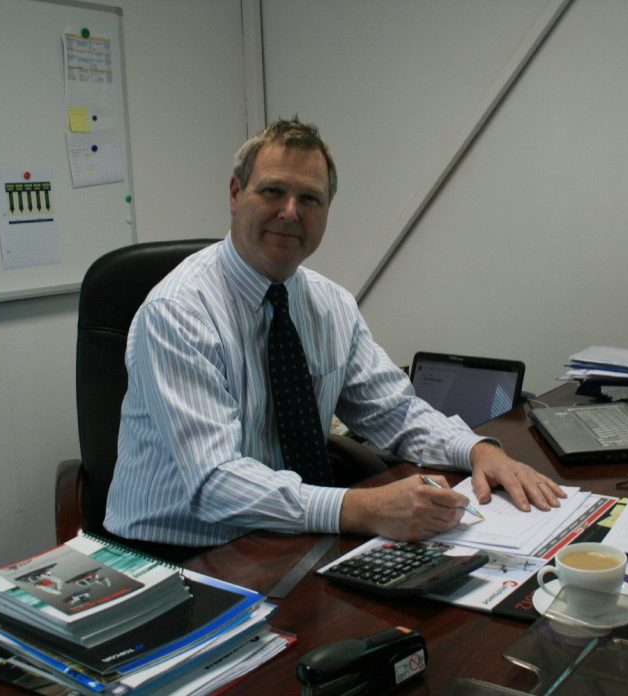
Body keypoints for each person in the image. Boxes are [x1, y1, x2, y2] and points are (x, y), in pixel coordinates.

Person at [104, 117, 564, 554]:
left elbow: (395, 412)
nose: (290, 212)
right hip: (177, 553)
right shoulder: (179, 312)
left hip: (286, 539)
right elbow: (215, 483)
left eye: (310, 199)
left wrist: (477, 450)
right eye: (273, 191)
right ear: (235, 193)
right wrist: (364, 508)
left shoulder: (330, 306)